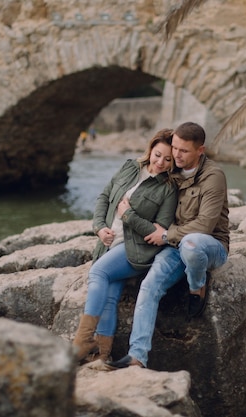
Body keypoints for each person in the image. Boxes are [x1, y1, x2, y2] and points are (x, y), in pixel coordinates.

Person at [107, 121, 230, 369]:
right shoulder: (170, 171)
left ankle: (197, 286)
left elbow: (205, 225)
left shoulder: (213, 177)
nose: (176, 155)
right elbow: (141, 178)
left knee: (191, 244)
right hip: (174, 246)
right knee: (150, 286)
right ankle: (137, 356)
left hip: (210, 245)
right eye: (174, 147)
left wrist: (164, 236)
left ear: (200, 151)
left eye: (183, 151)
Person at [72, 128, 178, 364]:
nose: (160, 162)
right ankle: (102, 355)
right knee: (110, 294)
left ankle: (82, 341)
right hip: (109, 244)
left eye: (168, 159)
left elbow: (157, 232)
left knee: (98, 272)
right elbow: (104, 196)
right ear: (151, 149)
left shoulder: (168, 189)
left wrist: (128, 215)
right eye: (158, 154)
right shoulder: (130, 167)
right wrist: (99, 227)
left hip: (136, 250)